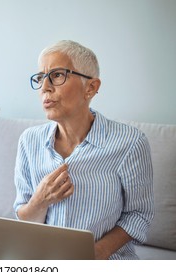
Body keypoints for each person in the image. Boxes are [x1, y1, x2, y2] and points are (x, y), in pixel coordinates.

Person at [13, 40, 154, 260]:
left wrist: (98, 252)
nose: (44, 87)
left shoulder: (130, 143)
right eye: (41, 78)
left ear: (91, 87)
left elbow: (139, 215)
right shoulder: (28, 141)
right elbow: (24, 216)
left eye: (57, 75)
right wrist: (39, 202)